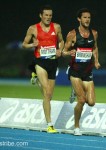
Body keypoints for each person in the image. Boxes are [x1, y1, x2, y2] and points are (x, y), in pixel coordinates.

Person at [22, 5, 64, 133]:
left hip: (53, 63)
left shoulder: (56, 27)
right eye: (46, 15)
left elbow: (61, 41)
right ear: (41, 15)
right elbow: (24, 44)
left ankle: (35, 77)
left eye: (50, 15)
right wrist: (31, 44)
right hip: (40, 62)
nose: (48, 17)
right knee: (46, 92)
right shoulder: (33, 28)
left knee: (49, 95)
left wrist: (59, 50)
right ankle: (50, 124)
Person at [62, 8, 101, 135]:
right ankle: (77, 127)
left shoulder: (94, 33)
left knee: (91, 102)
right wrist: (69, 52)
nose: (87, 20)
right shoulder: (72, 34)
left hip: (87, 71)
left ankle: (75, 90)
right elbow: (63, 52)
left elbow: (95, 48)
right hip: (75, 71)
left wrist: (96, 61)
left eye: (89, 17)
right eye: (84, 17)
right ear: (79, 19)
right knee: (82, 100)